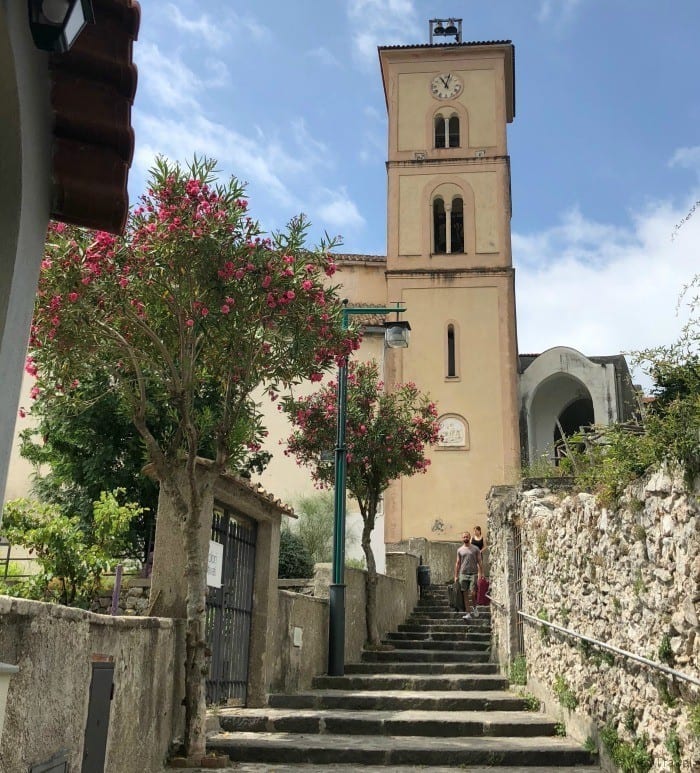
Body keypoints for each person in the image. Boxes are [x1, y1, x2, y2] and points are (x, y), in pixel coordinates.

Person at [454, 531, 483, 621]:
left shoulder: (475, 548)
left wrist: (481, 573)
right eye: (464, 537)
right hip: (463, 574)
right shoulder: (459, 550)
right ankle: (468, 613)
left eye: (467, 537)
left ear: (470, 537)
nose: (465, 538)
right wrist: (456, 575)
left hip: (473, 573)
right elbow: (458, 563)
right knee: (465, 594)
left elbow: (479, 561)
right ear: (462, 539)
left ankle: (474, 607)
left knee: (473, 593)